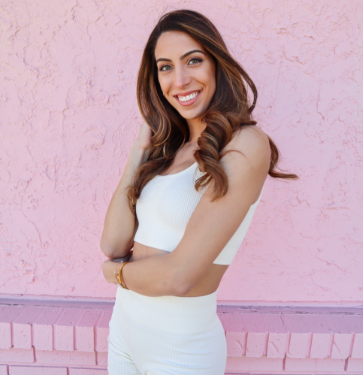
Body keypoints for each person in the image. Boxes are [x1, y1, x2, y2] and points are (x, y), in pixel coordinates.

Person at [100, 9, 298, 375]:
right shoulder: (167, 149)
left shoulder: (244, 145)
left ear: (216, 64)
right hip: (123, 333)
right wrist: (137, 154)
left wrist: (116, 276)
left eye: (194, 60)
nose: (181, 79)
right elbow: (113, 244)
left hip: (181, 352)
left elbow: (181, 276)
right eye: (165, 67)